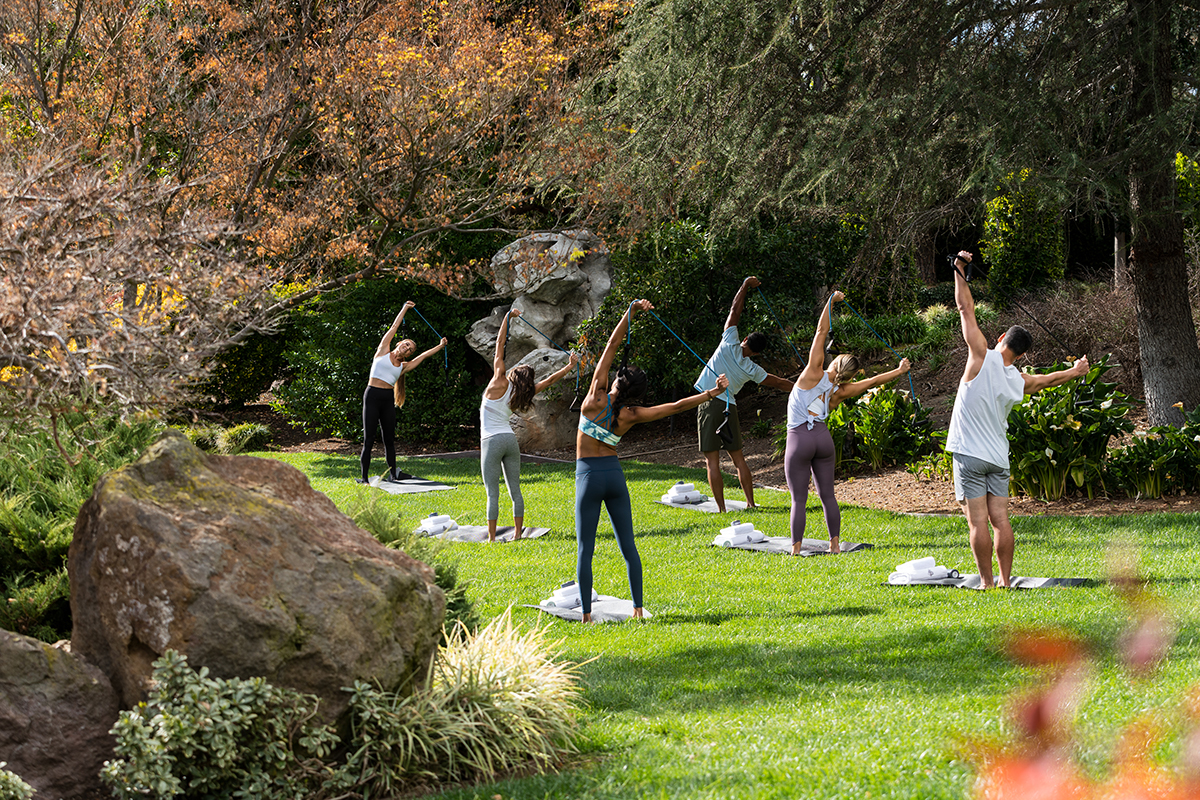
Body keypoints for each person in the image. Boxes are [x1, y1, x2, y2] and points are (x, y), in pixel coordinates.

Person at [576, 299, 730, 622]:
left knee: (585, 550)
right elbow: (675, 406)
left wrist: (629, 314)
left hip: (588, 477)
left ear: (617, 379)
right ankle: (637, 609)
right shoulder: (631, 415)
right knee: (629, 547)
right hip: (615, 477)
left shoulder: (594, 397)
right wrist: (710, 394)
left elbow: (611, 345)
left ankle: (587, 615)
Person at [947, 250, 1089, 588]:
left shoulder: (980, 355)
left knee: (977, 523)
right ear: (1022, 354)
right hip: (998, 458)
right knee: (1001, 521)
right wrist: (1077, 370)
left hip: (969, 454)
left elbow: (965, 308)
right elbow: (1051, 379)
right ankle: (1007, 581)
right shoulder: (1019, 380)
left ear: (1000, 340)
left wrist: (959, 268)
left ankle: (987, 583)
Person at [784, 290, 912, 555]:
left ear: (835, 361)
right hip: (823, 440)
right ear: (850, 374)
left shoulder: (813, 372)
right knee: (827, 495)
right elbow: (874, 381)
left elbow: (821, 332)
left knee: (799, 497)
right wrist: (899, 371)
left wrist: (831, 302)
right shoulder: (841, 391)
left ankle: (796, 549)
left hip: (799, 438)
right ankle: (834, 545)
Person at [695, 276, 794, 511]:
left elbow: (734, 310)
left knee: (712, 461)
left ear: (746, 339)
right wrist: (803, 386)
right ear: (757, 353)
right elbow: (779, 383)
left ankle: (721, 509)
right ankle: (751, 503)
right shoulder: (752, 368)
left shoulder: (730, 341)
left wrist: (745, 285)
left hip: (710, 403)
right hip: (730, 408)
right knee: (738, 459)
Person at [481, 308, 579, 542]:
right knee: (515, 491)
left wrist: (507, 318)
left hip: (491, 441)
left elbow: (499, 347)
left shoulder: (499, 381)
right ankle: (517, 534)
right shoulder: (523, 394)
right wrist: (569, 365)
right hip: (509, 440)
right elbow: (551, 379)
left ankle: (492, 538)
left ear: (514, 374)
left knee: (492, 493)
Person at [359, 301, 447, 484]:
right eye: (406, 344)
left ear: (408, 354)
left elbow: (423, 356)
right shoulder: (383, 351)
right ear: (399, 343)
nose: (407, 348)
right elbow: (394, 326)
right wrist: (405, 308)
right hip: (372, 395)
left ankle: (392, 475)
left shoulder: (404, 367)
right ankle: (364, 478)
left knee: (389, 439)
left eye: (410, 349)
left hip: (386, 400)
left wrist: (440, 346)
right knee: (369, 439)